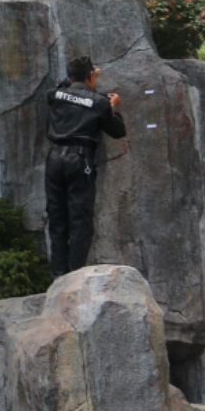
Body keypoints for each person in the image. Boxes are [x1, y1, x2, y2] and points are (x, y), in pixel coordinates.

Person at [45, 54, 126, 278]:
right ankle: (74, 276)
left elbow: (63, 86)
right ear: (91, 75)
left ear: (70, 76)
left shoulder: (54, 95)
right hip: (79, 161)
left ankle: (58, 275)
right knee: (80, 221)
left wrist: (80, 76)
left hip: (54, 160)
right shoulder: (99, 102)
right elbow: (118, 131)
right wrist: (113, 107)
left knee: (57, 218)